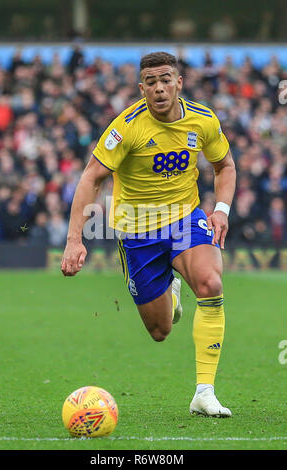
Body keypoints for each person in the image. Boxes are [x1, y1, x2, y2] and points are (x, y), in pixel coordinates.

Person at [61, 52, 236, 418]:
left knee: (210, 284)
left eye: (166, 79)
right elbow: (91, 177)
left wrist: (221, 210)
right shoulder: (127, 127)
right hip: (137, 230)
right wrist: (75, 239)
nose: (159, 88)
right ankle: (170, 294)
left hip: (185, 218)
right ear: (142, 89)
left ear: (179, 83)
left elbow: (225, 165)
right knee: (160, 331)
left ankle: (204, 392)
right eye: (151, 83)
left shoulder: (202, 120)